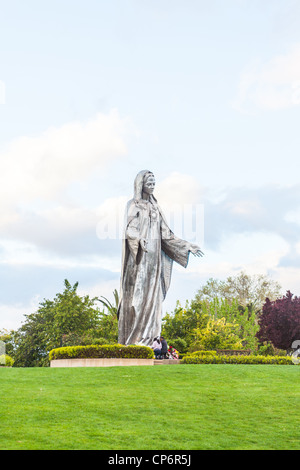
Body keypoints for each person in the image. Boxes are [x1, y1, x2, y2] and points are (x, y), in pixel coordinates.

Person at [117, 170, 204, 346]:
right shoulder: (133, 205)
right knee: (138, 299)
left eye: (154, 183)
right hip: (140, 259)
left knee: (153, 299)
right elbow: (129, 228)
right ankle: (136, 340)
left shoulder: (156, 208)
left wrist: (187, 245)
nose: (152, 185)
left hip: (154, 262)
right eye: (149, 182)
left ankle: (151, 338)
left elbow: (167, 235)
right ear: (140, 184)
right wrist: (138, 238)